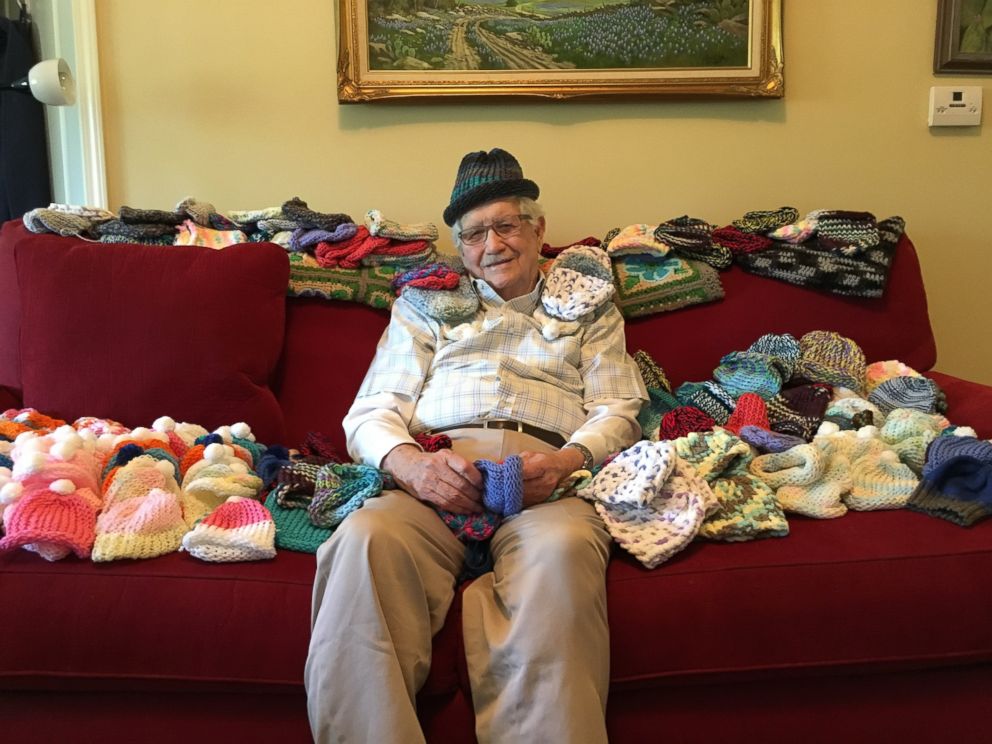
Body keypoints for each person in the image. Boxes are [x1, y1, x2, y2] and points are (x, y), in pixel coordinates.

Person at [305, 148, 647, 743]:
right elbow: (372, 412)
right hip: (435, 477)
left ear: (537, 229)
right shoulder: (424, 305)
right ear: (459, 247)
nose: (493, 245)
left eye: (505, 225)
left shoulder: (589, 307)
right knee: (364, 540)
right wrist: (411, 465)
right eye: (473, 234)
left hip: (547, 483)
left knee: (564, 550)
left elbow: (619, 409)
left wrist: (566, 462)